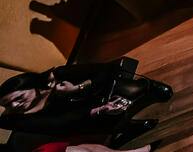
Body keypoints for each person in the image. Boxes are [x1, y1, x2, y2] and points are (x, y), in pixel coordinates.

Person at [0, 62, 173, 149]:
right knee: (102, 116)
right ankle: (125, 127)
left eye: (19, 97)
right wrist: (97, 111)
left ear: (32, 84)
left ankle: (146, 87)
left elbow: (105, 70)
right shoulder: (21, 119)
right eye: (8, 104)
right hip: (83, 120)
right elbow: (61, 123)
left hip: (98, 94)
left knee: (119, 85)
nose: (15, 105)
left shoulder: (57, 75)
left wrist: (77, 88)